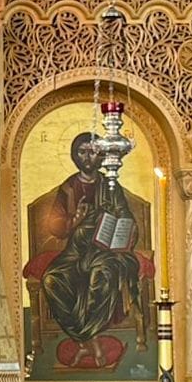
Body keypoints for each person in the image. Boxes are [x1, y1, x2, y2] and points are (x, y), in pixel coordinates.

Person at [38, 131, 145, 369]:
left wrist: (123, 230)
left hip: (107, 250)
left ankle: (85, 339)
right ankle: (89, 338)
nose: (87, 157)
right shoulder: (68, 188)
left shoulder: (110, 185)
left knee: (102, 274)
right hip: (76, 251)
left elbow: (125, 215)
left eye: (93, 151)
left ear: (101, 155)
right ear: (74, 156)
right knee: (52, 279)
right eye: (82, 152)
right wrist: (73, 221)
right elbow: (54, 224)